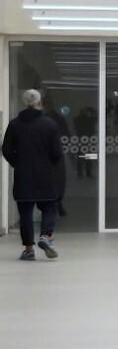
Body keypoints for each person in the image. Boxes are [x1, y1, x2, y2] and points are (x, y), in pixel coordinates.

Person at [2, 89, 64, 261]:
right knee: (49, 207)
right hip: (45, 175)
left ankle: (29, 249)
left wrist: (18, 163)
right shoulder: (50, 124)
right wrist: (48, 164)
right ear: (39, 102)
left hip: (23, 175)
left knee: (26, 213)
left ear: (24, 103)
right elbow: (57, 152)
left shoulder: (15, 124)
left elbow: (6, 149)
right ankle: (45, 236)